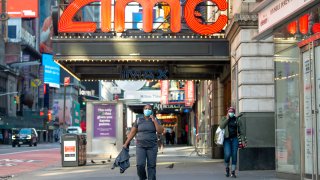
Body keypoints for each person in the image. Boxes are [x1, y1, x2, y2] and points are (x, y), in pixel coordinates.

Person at [123, 104, 164, 180]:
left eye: (149, 109)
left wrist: (154, 121)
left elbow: (160, 130)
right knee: (140, 165)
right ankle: (143, 178)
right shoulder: (139, 120)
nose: (147, 110)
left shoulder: (156, 119)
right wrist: (126, 143)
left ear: (151, 111)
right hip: (140, 146)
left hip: (152, 146)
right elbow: (132, 132)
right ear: (143, 110)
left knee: (151, 166)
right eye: (146, 108)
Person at [219, 107, 245, 178]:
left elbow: (241, 131)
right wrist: (227, 119)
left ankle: (233, 172)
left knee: (234, 155)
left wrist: (242, 140)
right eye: (229, 111)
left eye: (232, 112)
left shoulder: (237, 119)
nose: (231, 113)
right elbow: (221, 126)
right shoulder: (224, 118)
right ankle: (227, 168)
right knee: (227, 154)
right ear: (227, 112)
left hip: (234, 139)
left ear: (234, 112)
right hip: (226, 139)